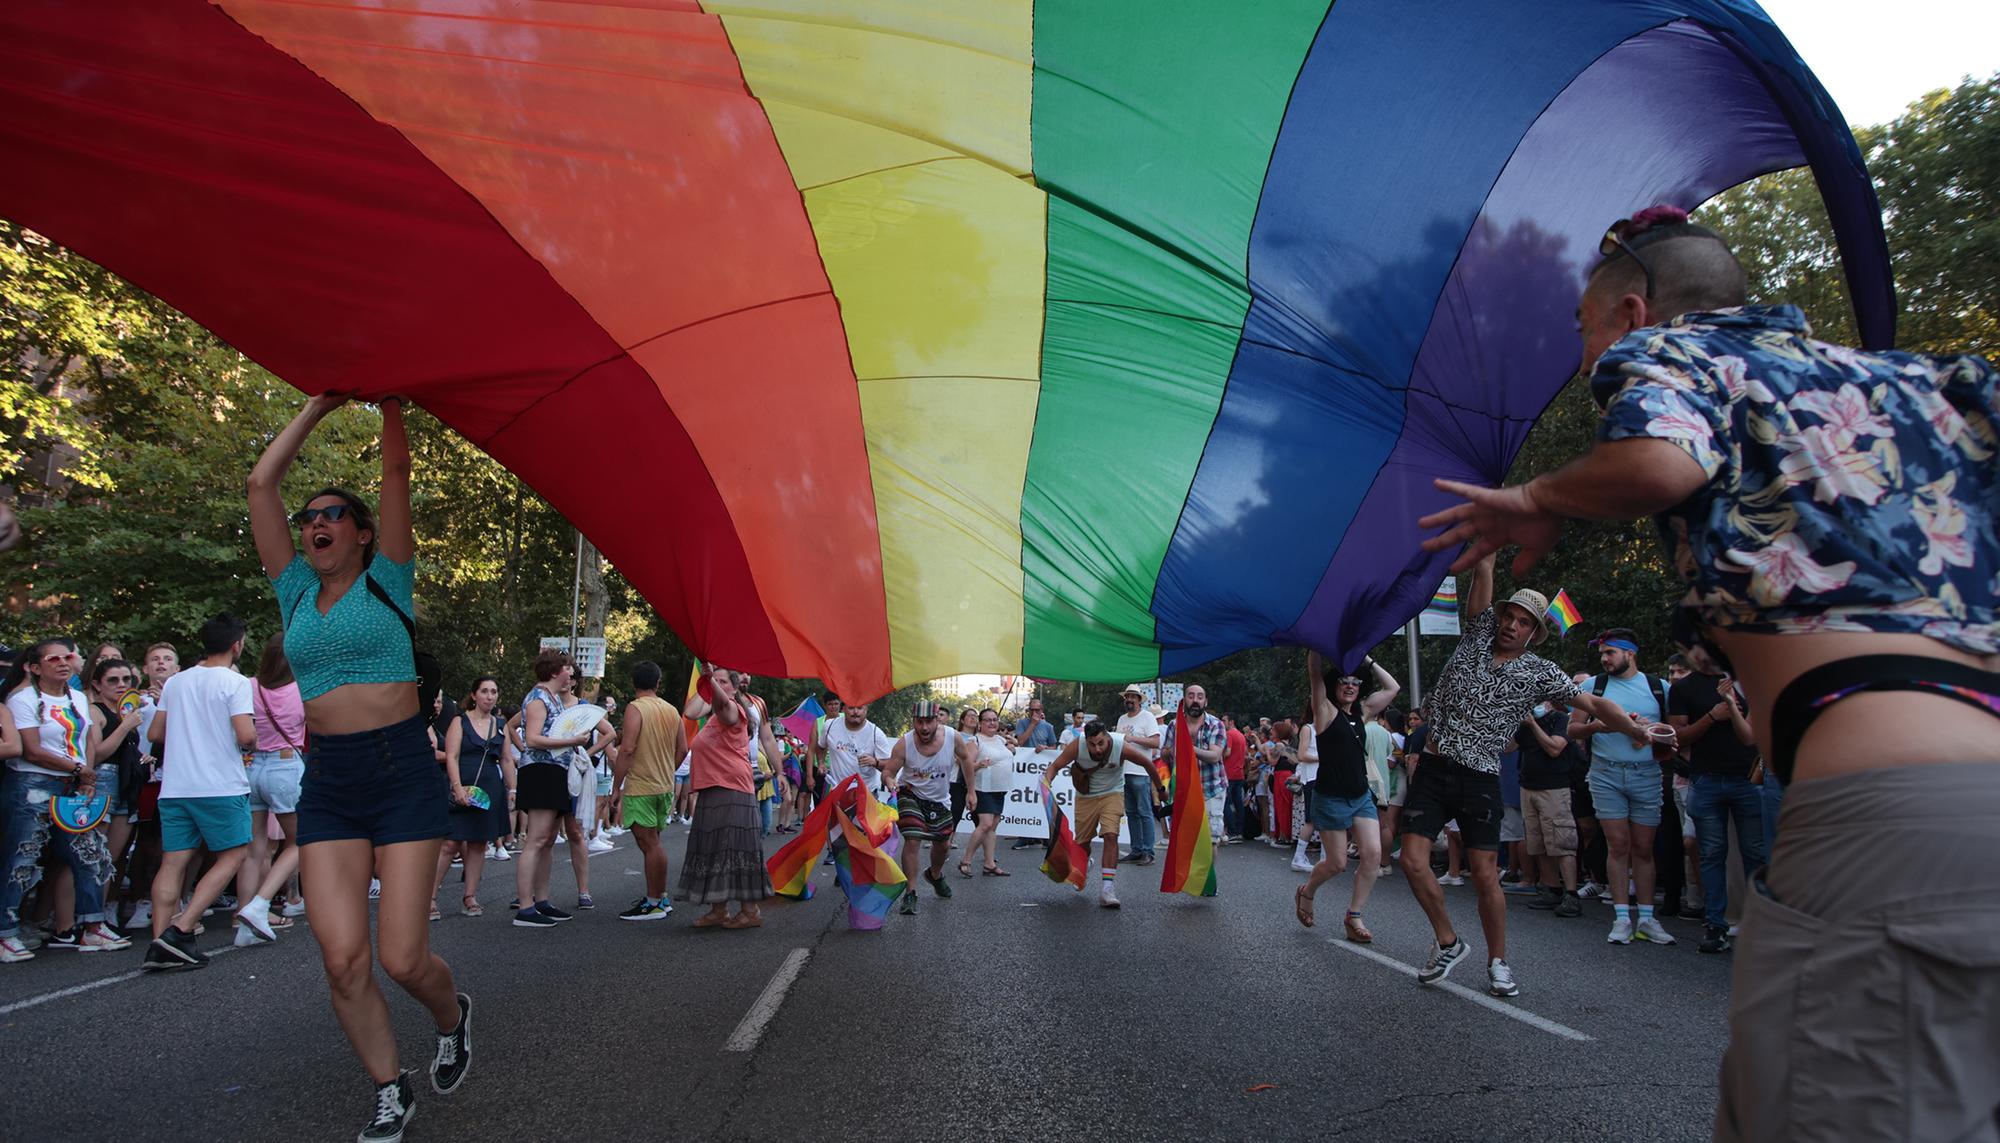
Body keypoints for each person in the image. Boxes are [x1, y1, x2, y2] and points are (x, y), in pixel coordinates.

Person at [1420, 203, 1999, 1141]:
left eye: (1584, 333)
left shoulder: (1679, 357)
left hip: (1886, 826)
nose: (1583, 362)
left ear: (1633, 313)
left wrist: (1533, 496)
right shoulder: (1931, 385)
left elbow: (1656, 464)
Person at [249, 393, 469, 1141]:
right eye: (310, 515)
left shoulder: (390, 578)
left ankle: (452, 1013)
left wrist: (389, 406)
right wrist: (317, 405)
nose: (316, 522)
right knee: (343, 958)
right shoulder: (293, 592)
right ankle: (388, 1088)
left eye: (333, 514)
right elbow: (259, 486)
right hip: (331, 778)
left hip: (402, 768)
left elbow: (397, 470)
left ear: (364, 533)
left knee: (403, 957)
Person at [1392, 555, 1646, 997]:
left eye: (1522, 621)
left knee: (1487, 876)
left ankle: (1498, 962)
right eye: (1507, 616)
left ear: (1533, 632)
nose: (1511, 624)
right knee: (1412, 861)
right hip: (1434, 769)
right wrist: (1486, 558)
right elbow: (1481, 588)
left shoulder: (1539, 673)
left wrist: (1635, 728)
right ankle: (1449, 942)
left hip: (1480, 778)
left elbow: (1595, 706)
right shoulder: (1473, 641)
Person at [141, 614, 255, 969]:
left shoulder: (176, 682)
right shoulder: (235, 682)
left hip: (176, 785)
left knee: (173, 861)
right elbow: (246, 736)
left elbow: (155, 734)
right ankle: (183, 926)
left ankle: (161, 941)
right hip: (219, 783)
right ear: (237, 645)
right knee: (234, 855)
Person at [2, 637, 125, 961]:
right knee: (22, 858)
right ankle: (6, 933)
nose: (62, 662)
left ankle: (92, 927)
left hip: (72, 783)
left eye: (67, 656)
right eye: (53, 658)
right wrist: (79, 769)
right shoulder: (23, 699)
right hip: (33, 785)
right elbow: (32, 749)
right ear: (34, 667)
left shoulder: (77, 698)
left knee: (88, 853)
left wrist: (85, 774)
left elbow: (84, 738)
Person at [1571, 628, 1677, 946]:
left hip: (1646, 774)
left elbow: (1674, 734)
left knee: (1643, 848)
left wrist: (1653, 731)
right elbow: (1573, 729)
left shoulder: (1659, 688)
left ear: (1630, 653)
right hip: (1606, 774)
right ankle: (1620, 919)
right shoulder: (1593, 687)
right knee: (1618, 845)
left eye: (1610, 653)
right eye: (1601, 654)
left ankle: (1646, 918)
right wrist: (1601, 725)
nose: (1604, 659)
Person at [1296, 650, 1400, 943]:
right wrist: (1316, 643)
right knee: (1337, 864)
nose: (1350, 685)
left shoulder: (1364, 711)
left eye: (1355, 681)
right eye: (1344, 680)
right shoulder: (1325, 710)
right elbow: (1315, 674)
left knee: (1373, 854)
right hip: (1330, 796)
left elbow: (1393, 688)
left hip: (1359, 795)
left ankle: (1354, 915)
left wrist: (1366, 659)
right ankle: (1307, 891)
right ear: (1335, 685)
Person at [1668, 649, 1763, 954]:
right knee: (1711, 854)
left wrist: (1732, 706)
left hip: (1748, 779)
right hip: (1706, 780)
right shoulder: (1683, 688)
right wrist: (1711, 717)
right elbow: (1678, 738)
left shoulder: (1748, 679)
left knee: (1755, 853)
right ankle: (1715, 926)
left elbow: (1754, 734)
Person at [510, 649, 598, 927]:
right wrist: (571, 741)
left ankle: (542, 901)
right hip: (539, 771)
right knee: (536, 838)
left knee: (547, 840)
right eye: (567, 668)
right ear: (553, 671)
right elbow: (533, 739)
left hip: (553, 771)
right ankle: (525, 907)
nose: (571, 673)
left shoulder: (552, 698)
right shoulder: (537, 698)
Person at [678, 670, 772, 928]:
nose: (716, 685)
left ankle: (750, 911)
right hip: (713, 788)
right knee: (713, 851)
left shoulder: (734, 710)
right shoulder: (713, 717)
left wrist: (712, 682)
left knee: (736, 850)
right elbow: (691, 712)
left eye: (723, 682)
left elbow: (720, 702)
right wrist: (706, 681)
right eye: (715, 680)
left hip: (732, 789)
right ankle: (718, 910)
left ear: (734, 688)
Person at [235, 634, 307, 944]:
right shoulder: (301, 688)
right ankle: (261, 904)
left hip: (251, 767)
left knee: (254, 851)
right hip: (285, 765)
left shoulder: (248, 686)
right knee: (301, 839)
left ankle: (243, 923)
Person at [1042, 720, 1159, 908]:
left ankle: (1107, 889)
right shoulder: (1077, 745)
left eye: (1101, 743)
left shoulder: (1121, 746)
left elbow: (1147, 763)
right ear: (1086, 740)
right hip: (1086, 797)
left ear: (1107, 737)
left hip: (1113, 793)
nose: (1097, 749)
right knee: (1082, 843)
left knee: (1110, 835)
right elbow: (1055, 766)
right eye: (1092, 744)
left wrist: (1160, 789)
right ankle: (1086, 862)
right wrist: (1046, 783)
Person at [882, 700, 975, 914]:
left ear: (937, 720)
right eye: (919, 722)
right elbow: (888, 772)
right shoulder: (904, 743)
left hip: (940, 799)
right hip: (910, 794)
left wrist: (971, 791)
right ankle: (911, 893)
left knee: (942, 845)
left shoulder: (953, 737)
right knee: (913, 839)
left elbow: (966, 760)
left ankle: (934, 874)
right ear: (913, 721)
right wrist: (889, 781)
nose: (924, 728)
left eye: (929, 722)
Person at [612, 661, 686, 921]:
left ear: (634, 684)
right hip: (663, 785)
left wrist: (616, 787)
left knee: (650, 844)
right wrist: (668, 769)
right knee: (653, 842)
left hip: (641, 785)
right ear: (658, 683)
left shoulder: (635, 708)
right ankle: (660, 897)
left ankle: (654, 902)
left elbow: (628, 748)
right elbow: (683, 749)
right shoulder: (671, 710)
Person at [434, 677, 508, 919]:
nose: (489, 696)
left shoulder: (500, 724)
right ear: (474, 695)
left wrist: (514, 789)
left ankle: (470, 896)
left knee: (478, 843)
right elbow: (452, 756)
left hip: (490, 787)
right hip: (462, 782)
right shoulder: (460, 721)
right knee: (450, 843)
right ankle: (430, 897)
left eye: (494, 692)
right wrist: (456, 788)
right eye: (484, 691)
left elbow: (506, 760)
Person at [85, 657, 146, 931]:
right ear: (97, 684)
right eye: (113, 680)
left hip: (126, 784)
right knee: (94, 855)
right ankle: (87, 922)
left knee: (112, 857)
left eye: (126, 680)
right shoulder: (95, 711)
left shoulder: (127, 712)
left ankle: (99, 920)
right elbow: (96, 754)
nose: (121, 685)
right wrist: (124, 726)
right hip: (103, 782)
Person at [1516, 704, 1582, 917]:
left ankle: (1571, 893)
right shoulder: (1523, 724)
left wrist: (1533, 724)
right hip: (1528, 787)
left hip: (1554, 788)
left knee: (1562, 842)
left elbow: (1555, 748)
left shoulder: (1560, 719)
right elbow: (1508, 747)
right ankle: (1551, 888)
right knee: (1540, 842)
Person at [1160, 685, 1226, 842]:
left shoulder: (1216, 724)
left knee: (1210, 841)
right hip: (1183, 790)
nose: (1195, 700)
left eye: (1199, 697)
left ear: (1205, 702)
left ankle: (1208, 868)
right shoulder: (1174, 725)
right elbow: (1164, 754)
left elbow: (1215, 756)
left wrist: (1187, 748)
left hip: (1210, 788)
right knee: (1186, 841)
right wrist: (1170, 752)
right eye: (1191, 696)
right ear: (1184, 700)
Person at [962, 709, 1017, 876]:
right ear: (980, 723)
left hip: (999, 788)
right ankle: (966, 860)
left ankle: (989, 864)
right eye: (987, 720)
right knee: (985, 824)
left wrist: (1012, 744)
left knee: (993, 827)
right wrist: (979, 765)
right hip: (982, 788)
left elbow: (1013, 748)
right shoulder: (975, 741)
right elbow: (967, 765)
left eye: (995, 720)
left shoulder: (1000, 740)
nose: (992, 723)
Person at [1114, 684, 1163, 866]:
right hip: (1124, 771)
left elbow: (1156, 742)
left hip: (1141, 771)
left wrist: (1132, 739)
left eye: (1133, 697)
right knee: (1132, 813)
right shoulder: (1121, 719)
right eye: (1127, 696)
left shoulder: (1147, 717)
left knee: (1144, 812)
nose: (1130, 699)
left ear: (1139, 700)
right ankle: (1136, 849)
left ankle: (1148, 851)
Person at [1219, 712, 1249, 843]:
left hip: (1229, 772)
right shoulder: (1241, 736)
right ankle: (1239, 831)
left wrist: (1218, 753)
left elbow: (1228, 752)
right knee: (1238, 803)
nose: (1222, 723)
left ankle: (1231, 831)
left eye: (1224, 720)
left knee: (1225, 802)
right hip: (1239, 773)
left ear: (1231, 722)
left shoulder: (1229, 734)